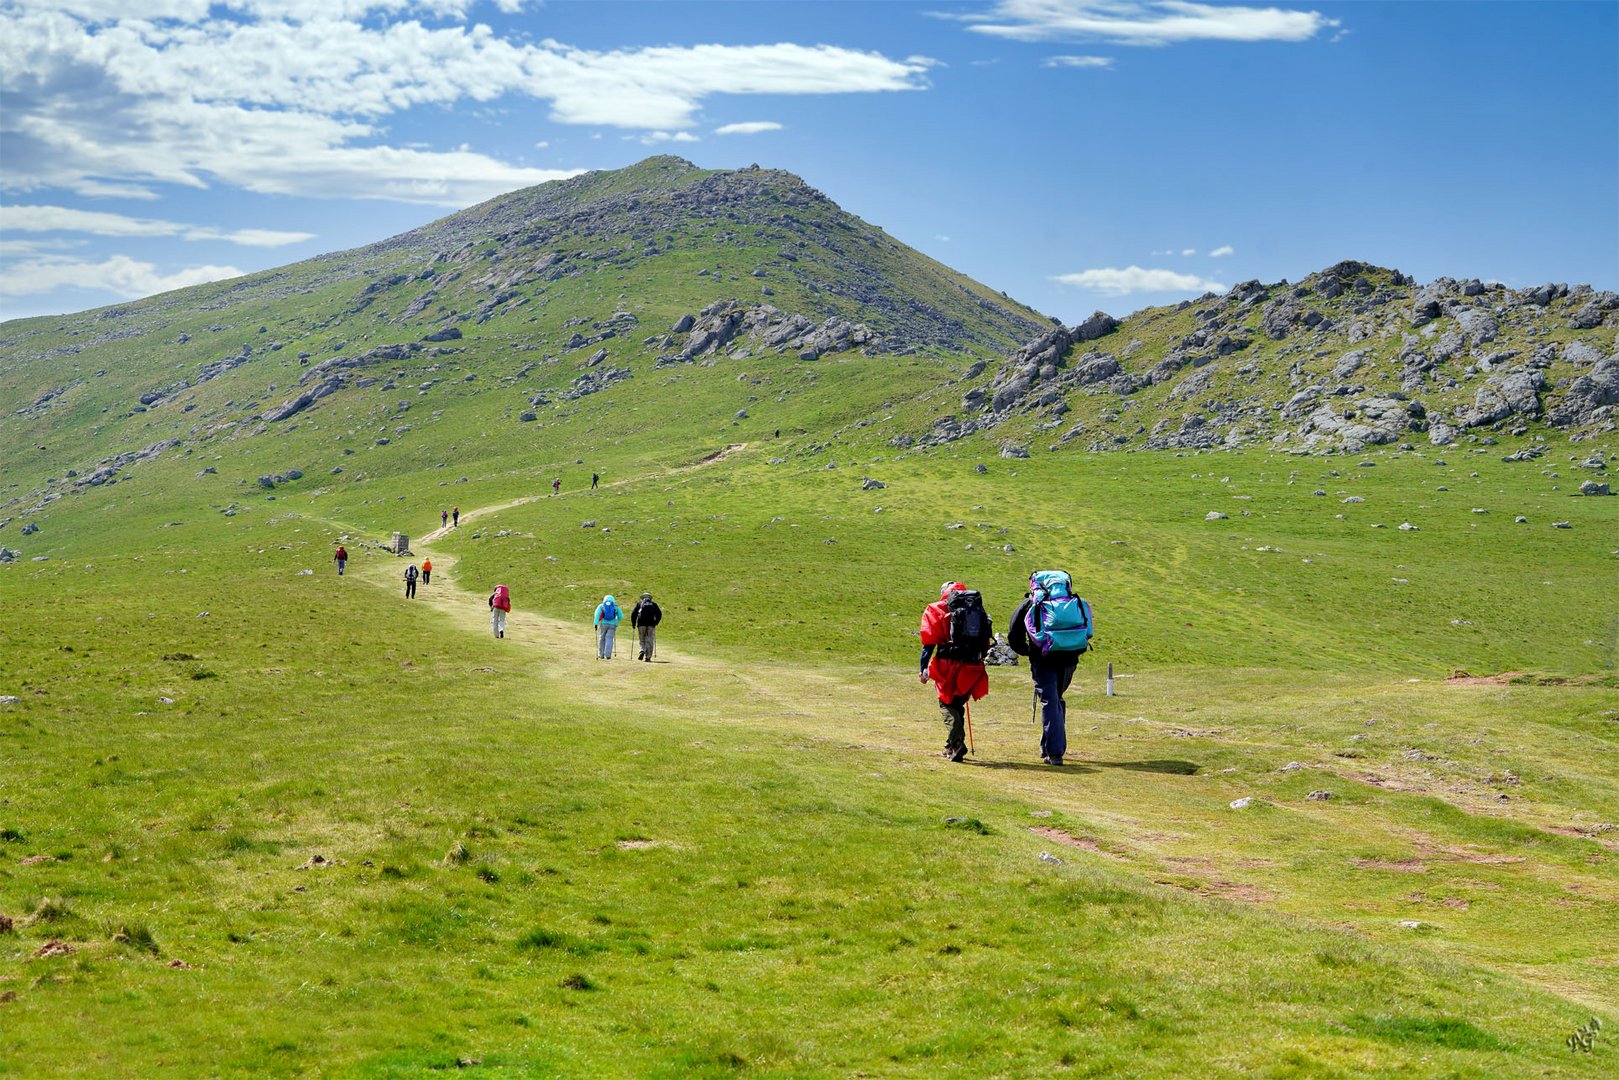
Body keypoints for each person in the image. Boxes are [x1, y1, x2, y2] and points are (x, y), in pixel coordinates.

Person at [1007, 570, 1094, 767]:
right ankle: (1049, 745)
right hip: (1070, 658)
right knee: (1056, 699)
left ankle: (1055, 752)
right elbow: (1088, 630)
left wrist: (1027, 651)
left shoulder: (1031, 604)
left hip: (1043, 659)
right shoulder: (1075, 602)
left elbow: (1014, 634)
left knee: (1050, 701)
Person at [918, 582, 992, 763]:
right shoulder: (976, 609)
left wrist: (923, 668)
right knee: (958, 703)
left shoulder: (935, 610)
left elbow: (928, 645)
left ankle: (958, 744)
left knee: (946, 703)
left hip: (948, 665)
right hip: (973, 665)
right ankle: (950, 746)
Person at [630, 591, 662, 661]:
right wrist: (656, 622)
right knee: (649, 640)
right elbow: (659, 614)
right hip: (651, 624)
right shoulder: (654, 604)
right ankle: (648, 657)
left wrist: (633, 624)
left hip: (641, 624)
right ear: (650, 598)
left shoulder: (639, 604)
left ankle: (642, 650)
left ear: (643, 598)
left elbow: (633, 614)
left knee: (642, 639)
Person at [593, 594, 622, 659]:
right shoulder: (615, 607)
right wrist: (616, 620)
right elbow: (621, 616)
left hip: (603, 624)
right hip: (612, 625)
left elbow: (597, 615)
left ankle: (601, 654)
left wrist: (596, 623)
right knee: (610, 638)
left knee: (602, 638)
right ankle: (608, 655)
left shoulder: (601, 606)